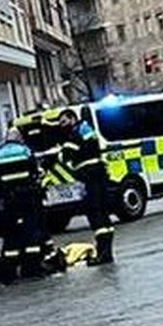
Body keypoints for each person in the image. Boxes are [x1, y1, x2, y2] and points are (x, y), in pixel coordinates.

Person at [60, 108, 116, 265]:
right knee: (103, 217)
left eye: (64, 121)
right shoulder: (86, 128)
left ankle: (103, 255)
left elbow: (66, 154)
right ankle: (106, 253)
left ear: (72, 118)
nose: (62, 125)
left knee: (96, 215)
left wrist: (60, 152)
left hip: (91, 178)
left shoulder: (76, 133)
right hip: (98, 176)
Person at [0, 131, 42, 282]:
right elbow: (34, 167)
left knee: (12, 234)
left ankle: (10, 273)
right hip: (27, 196)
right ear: (19, 139)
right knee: (31, 231)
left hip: (8, 198)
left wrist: (2, 183)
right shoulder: (24, 150)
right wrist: (29, 180)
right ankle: (31, 270)